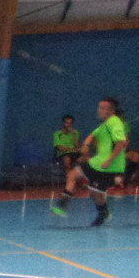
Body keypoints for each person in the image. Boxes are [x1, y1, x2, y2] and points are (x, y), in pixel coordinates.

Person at [52, 97, 126, 227]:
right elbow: (92, 134)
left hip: (108, 166)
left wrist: (109, 161)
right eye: (99, 107)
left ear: (111, 111)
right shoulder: (105, 124)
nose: (99, 110)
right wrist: (86, 145)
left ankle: (102, 212)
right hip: (97, 163)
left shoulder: (115, 123)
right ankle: (64, 205)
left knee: (93, 191)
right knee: (77, 177)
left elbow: (121, 143)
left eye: (102, 108)